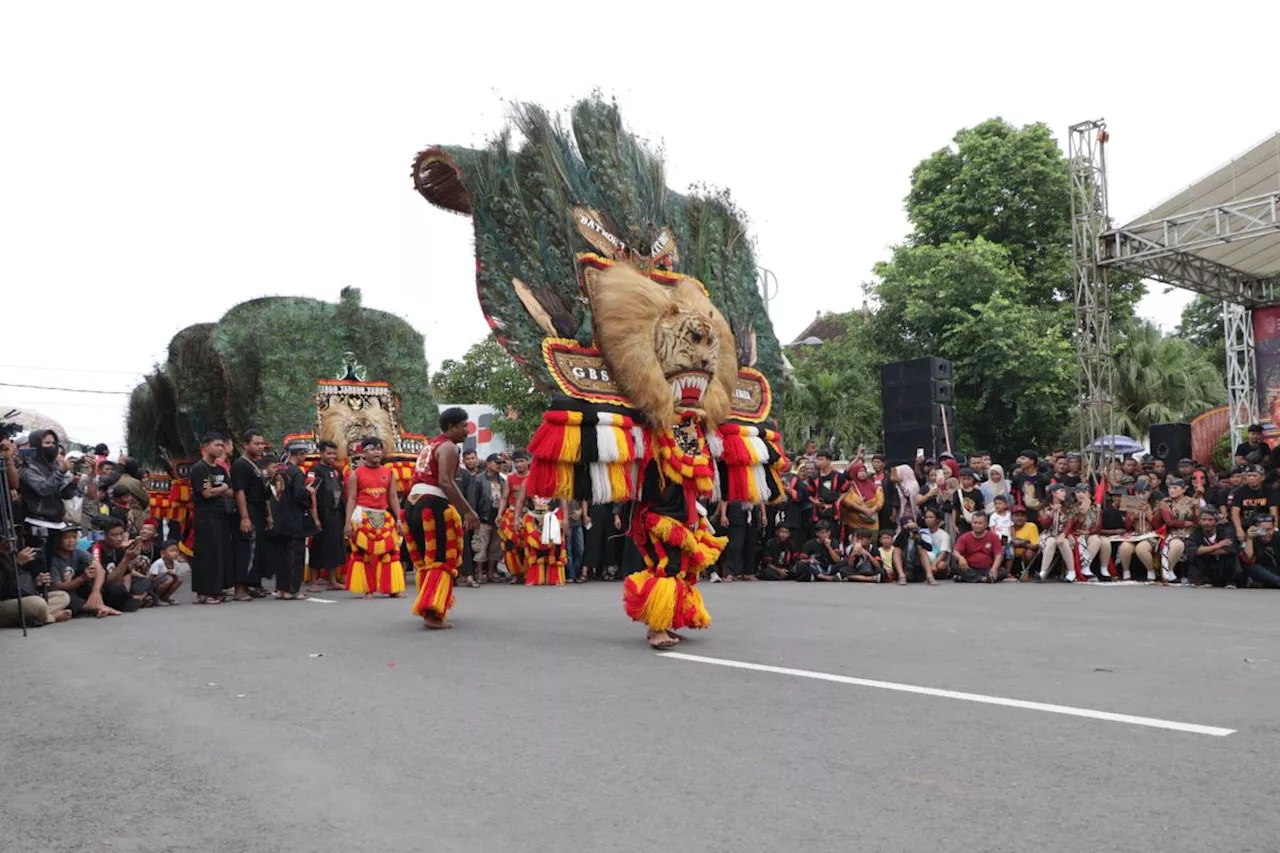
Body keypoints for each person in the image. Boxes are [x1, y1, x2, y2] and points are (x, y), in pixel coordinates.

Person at [408, 408, 480, 629]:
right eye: (464, 426)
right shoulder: (448, 447)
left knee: (426, 560)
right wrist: (468, 511)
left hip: (412, 504)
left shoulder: (431, 445)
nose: (467, 431)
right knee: (440, 557)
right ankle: (432, 612)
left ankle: (430, 605)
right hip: (431, 504)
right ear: (452, 427)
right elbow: (446, 482)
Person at [343, 436, 407, 598]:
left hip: (384, 517)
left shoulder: (389, 473)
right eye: (372, 449)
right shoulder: (355, 474)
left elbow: (393, 498)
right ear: (364, 453)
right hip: (362, 516)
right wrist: (348, 523)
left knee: (391, 553)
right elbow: (351, 498)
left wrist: (399, 519)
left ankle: (393, 588)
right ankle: (367, 589)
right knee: (364, 554)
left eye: (378, 449)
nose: (377, 452)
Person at [189, 435, 233, 604]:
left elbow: (230, 491)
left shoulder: (221, 469)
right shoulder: (199, 468)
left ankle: (217, 589)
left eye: (222, 445)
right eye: (217, 445)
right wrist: (222, 487)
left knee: (220, 552)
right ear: (206, 447)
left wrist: (219, 488)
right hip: (205, 517)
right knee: (207, 554)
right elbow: (206, 493)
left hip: (220, 515)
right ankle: (204, 592)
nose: (221, 448)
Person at [230, 430, 273, 602]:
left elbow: (265, 493)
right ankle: (240, 588)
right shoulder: (240, 465)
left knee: (258, 549)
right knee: (246, 548)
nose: (260, 447)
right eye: (256, 443)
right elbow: (239, 491)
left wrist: (269, 515)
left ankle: (254, 584)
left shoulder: (258, 465)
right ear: (245, 445)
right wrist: (244, 517)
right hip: (247, 509)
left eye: (262, 443)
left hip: (259, 510)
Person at [274, 441, 318, 599]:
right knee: (294, 555)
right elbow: (299, 496)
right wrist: (309, 492)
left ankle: (281, 589)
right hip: (293, 518)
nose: (305, 457)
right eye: (304, 454)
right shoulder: (296, 472)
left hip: (279, 516)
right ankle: (292, 590)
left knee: (282, 555)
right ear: (298, 454)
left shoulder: (279, 469)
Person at [0, 539, 72, 628]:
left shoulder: (9, 554)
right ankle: (50, 617)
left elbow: (12, 586)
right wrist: (17, 564)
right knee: (37, 603)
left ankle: (32, 618)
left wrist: (35, 583)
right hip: (3, 603)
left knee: (63, 596)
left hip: (14, 598)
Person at [307, 440, 347, 591]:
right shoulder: (314, 470)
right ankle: (313, 582)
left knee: (335, 546)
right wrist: (315, 517)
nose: (332, 456)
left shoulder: (337, 471)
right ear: (321, 453)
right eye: (329, 453)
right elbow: (310, 494)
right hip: (321, 514)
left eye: (334, 453)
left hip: (336, 513)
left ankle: (332, 581)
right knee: (318, 547)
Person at [18, 428, 78, 524]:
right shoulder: (28, 467)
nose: (52, 446)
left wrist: (73, 482)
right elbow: (43, 489)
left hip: (57, 520)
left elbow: (65, 495)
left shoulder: (55, 465)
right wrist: (60, 472)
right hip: (37, 522)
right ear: (36, 444)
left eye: (54, 443)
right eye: (47, 443)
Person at [471, 454, 505, 585]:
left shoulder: (502, 481)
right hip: (483, 518)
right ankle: (479, 574)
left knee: (495, 548)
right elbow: (473, 499)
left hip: (497, 518)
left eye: (500, 463)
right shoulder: (478, 479)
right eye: (496, 462)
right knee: (480, 546)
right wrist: (475, 516)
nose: (499, 465)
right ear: (488, 463)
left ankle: (491, 573)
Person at [1188, 506, 1240, 587]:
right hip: (1206, 567)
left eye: (1210, 520)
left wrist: (1204, 550)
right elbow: (1194, 551)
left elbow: (1228, 550)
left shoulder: (1226, 531)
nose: (1206, 523)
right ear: (1200, 521)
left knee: (1231, 556)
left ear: (1216, 521)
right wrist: (1218, 545)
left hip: (1223, 567)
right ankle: (1203, 581)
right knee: (1195, 557)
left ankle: (1231, 582)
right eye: (1204, 520)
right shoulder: (1196, 532)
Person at [952, 511, 1004, 582]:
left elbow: (998, 554)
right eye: (975, 523)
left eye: (980, 523)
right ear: (971, 524)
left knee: (1003, 572)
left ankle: (966, 578)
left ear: (986, 525)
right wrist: (960, 557)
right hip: (969, 567)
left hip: (987, 568)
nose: (977, 525)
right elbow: (955, 551)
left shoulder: (994, 537)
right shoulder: (964, 537)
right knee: (955, 566)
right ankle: (983, 579)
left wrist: (994, 568)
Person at [1239, 513, 1280, 588]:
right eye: (1262, 530)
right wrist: (1249, 539)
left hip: (1276, 569)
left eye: (1269, 529)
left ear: (1274, 528)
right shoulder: (1250, 538)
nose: (1266, 533)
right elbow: (1248, 559)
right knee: (1251, 568)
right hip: (1261, 571)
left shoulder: (1278, 536)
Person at [147, 539, 186, 604]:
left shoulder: (176, 564)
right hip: (152, 586)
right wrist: (165, 573)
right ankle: (156, 598)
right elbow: (151, 579)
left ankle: (165, 597)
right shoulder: (158, 563)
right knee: (169, 579)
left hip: (165, 583)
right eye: (171, 551)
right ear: (163, 553)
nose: (175, 553)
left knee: (179, 579)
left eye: (176, 551)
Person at [918, 507, 950, 585]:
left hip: (937, 561)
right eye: (926, 517)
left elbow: (944, 553)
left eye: (931, 517)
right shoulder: (921, 533)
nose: (928, 519)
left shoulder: (944, 535)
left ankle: (928, 574)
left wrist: (934, 564)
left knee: (941, 565)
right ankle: (928, 574)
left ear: (937, 520)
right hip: (924, 560)